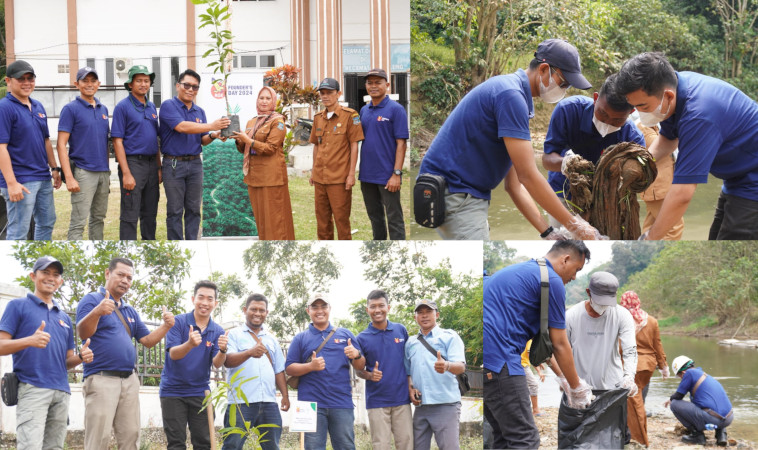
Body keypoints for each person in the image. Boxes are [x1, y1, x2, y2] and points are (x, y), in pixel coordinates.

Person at [416, 39, 603, 240]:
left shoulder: (514, 95)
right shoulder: (510, 96)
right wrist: (576, 226)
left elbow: (514, 185)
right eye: (563, 83)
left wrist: (547, 232)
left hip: (463, 195)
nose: (564, 90)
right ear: (544, 69)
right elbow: (529, 176)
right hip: (456, 194)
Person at [616, 52, 758, 240]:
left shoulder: (698, 116)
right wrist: (638, 164)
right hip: (736, 177)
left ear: (667, 95)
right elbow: (668, 139)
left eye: (643, 106)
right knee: (716, 240)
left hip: (752, 179)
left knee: (732, 249)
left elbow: (683, 192)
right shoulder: (676, 89)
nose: (640, 114)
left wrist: (650, 238)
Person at [483, 240, 593, 449]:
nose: (574, 277)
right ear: (565, 259)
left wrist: (563, 377)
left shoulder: (518, 273)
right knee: (525, 439)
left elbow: (545, 345)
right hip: (501, 363)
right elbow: (560, 344)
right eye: (576, 269)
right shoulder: (552, 281)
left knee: (504, 437)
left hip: (485, 364)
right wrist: (577, 388)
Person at [76, 257, 176, 449]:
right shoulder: (91, 300)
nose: (125, 281)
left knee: (131, 436)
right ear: (107, 273)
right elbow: (82, 332)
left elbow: (147, 341)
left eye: (129, 278)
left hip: (129, 381)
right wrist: (97, 312)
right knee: (98, 439)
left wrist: (166, 326)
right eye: (120, 275)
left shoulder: (130, 310)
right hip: (101, 378)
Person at [0, 256, 93, 449]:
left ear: (60, 281)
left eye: (56, 274)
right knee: (30, 446)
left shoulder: (65, 318)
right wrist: (29, 341)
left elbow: (67, 361)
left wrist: (81, 357)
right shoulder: (17, 306)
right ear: (33, 276)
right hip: (32, 388)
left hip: (61, 391)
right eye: (45, 272)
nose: (51, 278)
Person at [542, 74, 645, 227]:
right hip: (562, 193)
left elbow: (638, 179)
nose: (607, 122)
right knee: (561, 237)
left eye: (617, 120)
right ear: (596, 98)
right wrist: (566, 164)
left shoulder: (632, 138)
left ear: (631, 113)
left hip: (606, 201)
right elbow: (547, 159)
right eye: (603, 113)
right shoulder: (569, 110)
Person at [284, 293, 365, 449]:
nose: (319, 310)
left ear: (330, 309)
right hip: (310, 405)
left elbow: (360, 366)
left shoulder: (345, 334)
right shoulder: (300, 338)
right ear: (308, 311)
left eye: (323, 306)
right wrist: (310, 366)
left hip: (341, 403)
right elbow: (289, 367)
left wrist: (357, 355)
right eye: (315, 307)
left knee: (346, 446)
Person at [159, 69, 231, 239]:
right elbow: (182, 127)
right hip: (174, 164)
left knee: (193, 209)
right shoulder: (168, 105)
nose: (190, 89)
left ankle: (192, 242)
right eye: (187, 85)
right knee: (175, 210)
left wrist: (213, 135)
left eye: (195, 87)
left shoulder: (199, 111)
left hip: (195, 164)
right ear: (178, 86)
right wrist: (211, 126)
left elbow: (202, 139)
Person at [160, 280, 228, 450]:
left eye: (210, 299)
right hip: (173, 392)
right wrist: (190, 344)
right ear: (193, 299)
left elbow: (217, 364)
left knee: (204, 443)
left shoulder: (217, 331)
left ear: (215, 303)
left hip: (200, 392)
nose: (205, 303)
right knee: (176, 444)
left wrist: (223, 350)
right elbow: (173, 354)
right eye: (201, 297)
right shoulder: (178, 322)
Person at [0, 60, 62, 240]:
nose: (27, 83)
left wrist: (54, 168)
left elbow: (45, 141)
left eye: (30, 78)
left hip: (42, 177)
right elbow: (1, 147)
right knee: (19, 230)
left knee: (47, 222)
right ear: (8, 81)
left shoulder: (38, 106)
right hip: (21, 180)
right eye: (21, 79)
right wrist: (11, 183)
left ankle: (41, 254)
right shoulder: (4, 108)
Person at [223, 293, 289, 450]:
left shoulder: (271, 339)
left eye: (262, 310)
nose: (257, 313)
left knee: (272, 446)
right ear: (245, 310)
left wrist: (285, 396)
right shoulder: (234, 335)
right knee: (232, 445)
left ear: (266, 313)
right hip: (240, 403)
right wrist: (249, 352)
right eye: (253, 309)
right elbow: (227, 361)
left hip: (269, 403)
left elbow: (279, 370)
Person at [231, 86, 295, 240]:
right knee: (262, 220)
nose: (264, 101)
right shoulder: (251, 121)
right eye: (261, 98)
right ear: (257, 101)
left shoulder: (277, 121)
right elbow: (244, 149)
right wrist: (240, 140)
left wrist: (249, 141)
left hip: (271, 178)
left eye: (268, 98)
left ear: (273, 101)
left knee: (276, 221)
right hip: (254, 178)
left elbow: (271, 148)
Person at [56, 67, 110, 240]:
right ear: (76, 84)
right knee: (78, 223)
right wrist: (69, 177)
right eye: (85, 80)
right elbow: (61, 144)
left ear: (98, 84)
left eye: (93, 81)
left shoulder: (103, 109)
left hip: (103, 172)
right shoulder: (70, 109)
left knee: (99, 219)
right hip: (83, 172)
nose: (89, 84)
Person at [405, 298, 466, 450]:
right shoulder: (410, 342)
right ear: (415, 317)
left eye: (428, 312)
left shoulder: (449, 336)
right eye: (420, 312)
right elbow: (407, 371)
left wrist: (447, 365)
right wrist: (410, 388)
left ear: (437, 315)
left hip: (446, 404)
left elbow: (461, 367)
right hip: (421, 406)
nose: (424, 316)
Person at [355, 289, 412, 450]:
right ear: (367, 310)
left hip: (402, 400)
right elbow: (359, 370)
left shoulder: (401, 330)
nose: (377, 310)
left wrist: (411, 385)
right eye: (373, 306)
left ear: (389, 307)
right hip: (377, 401)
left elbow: (408, 363)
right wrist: (370, 375)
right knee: (381, 446)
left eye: (381, 305)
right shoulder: (361, 338)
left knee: (407, 444)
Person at [308, 78, 365, 240]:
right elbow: (316, 146)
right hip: (320, 178)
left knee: (341, 221)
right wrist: (313, 172)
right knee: (322, 222)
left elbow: (354, 145)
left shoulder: (350, 116)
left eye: (330, 93)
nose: (325, 96)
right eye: (322, 93)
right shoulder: (318, 117)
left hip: (339, 179)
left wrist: (351, 174)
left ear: (338, 94)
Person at [358, 68, 409, 240]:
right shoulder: (364, 111)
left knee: (394, 218)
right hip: (367, 175)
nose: (373, 86)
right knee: (375, 218)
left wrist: (396, 174)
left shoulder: (396, 109)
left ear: (387, 85)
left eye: (378, 82)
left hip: (388, 176)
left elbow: (401, 144)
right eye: (369, 83)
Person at [112, 65, 161, 240]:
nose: (143, 84)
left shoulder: (151, 106)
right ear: (130, 84)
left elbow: (155, 139)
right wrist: (126, 173)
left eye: (146, 81)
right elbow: (117, 141)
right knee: (130, 213)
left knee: (150, 213)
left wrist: (159, 167)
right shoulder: (122, 107)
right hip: (133, 164)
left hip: (151, 166)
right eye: (139, 80)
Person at [620, 290, 669, 447]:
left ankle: (639, 438)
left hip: (628, 366)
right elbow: (658, 345)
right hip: (647, 366)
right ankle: (636, 435)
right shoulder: (652, 321)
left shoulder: (622, 319)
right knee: (637, 399)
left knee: (633, 402)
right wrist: (663, 366)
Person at [634, 117, 684, 240]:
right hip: (657, 189)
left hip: (663, 186)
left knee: (652, 226)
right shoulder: (643, 127)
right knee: (674, 226)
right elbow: (662, 145)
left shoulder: (656, 125)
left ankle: (645, 250)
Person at [665, 356, 733, 446]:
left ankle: (697, 436)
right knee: (713, 406)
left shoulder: (688, 373)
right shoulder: (703, 375)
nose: (681, 378)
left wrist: (670, 399)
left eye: (679, 376)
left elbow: (678, 396)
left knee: (674, 404)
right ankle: (721, 435)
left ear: (682, 372)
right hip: (729, 418)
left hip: (714, 420)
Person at [520, 340, 546, 417]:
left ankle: (525, 410)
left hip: (519, 364)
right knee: (533, 384)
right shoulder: (530, 340)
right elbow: (530, 355)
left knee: (522, 387)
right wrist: (539, 371)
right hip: (523, 365)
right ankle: (535, 410)